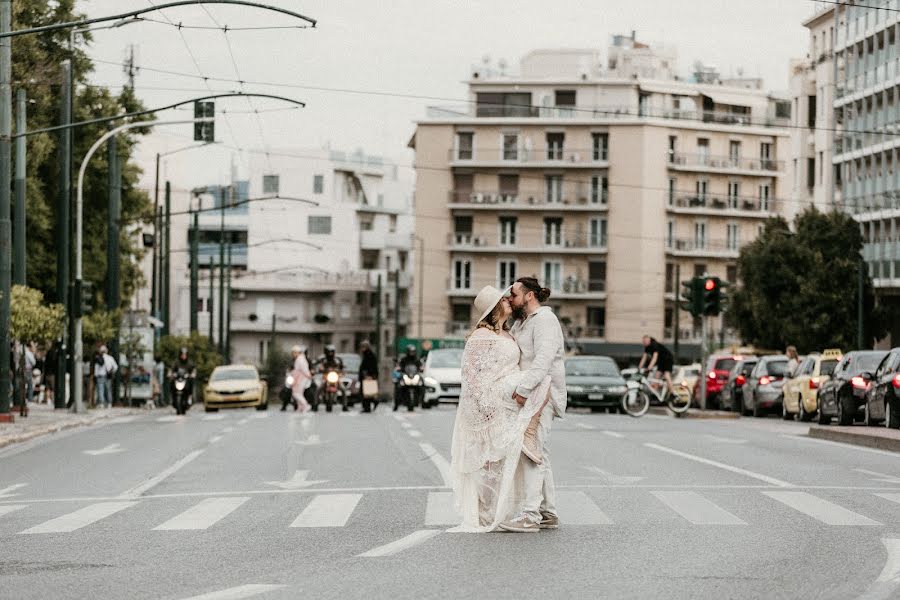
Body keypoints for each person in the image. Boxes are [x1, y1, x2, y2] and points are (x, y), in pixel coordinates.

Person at [448, 284, 553, 533]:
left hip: (510, 394)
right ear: (494, 308)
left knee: (501, 457)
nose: (507, 300)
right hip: (492, 396)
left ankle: (500, 509)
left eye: (508, 297)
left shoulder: (510, 332)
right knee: (488, 459)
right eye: (502, 299)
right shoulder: (480, 336)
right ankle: (486, 512)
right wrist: (484, 409)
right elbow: (471, 377)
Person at [499, 276, 566, 533]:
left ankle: (530, 515)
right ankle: (548, 511)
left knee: (531, 452)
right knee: (540, 452)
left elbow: (544, 360)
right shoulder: (522, 323)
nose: (510, 299)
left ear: (529, 295)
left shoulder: (545, 320)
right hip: (531, 394)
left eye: (513, 294)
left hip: (542, 393)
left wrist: (524, 389)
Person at [395, 345, 424, 411]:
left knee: (422, 384)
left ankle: (422, 401)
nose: (412, 353)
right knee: (398, 385)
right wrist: (399, 368)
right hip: (406, 375)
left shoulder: (417, 360)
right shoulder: (404, 359)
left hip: (414, 376)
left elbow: (420, 366)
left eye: (413, 352)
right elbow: (400, 366)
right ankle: (396, 404)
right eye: (410, 352)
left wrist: (421, 369)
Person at [289, 345, 312, 412]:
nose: (293, 354)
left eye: (293, 352)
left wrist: (308, 376)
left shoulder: (300, 359)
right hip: (299, 378)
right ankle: (300, 407)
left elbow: (304, 370)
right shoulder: (300, 359)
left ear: (297, 352)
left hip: (301, 378)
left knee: (296, 393)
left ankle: (305, 405)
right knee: (300, 393)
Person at [358, 340, 379, 412]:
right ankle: (371, 404)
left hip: (368, 376)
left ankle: (367, 407)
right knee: (368, 392)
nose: (362, 349)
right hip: (367, 376)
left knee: (366, 392)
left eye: (363, 347)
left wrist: (369, 375)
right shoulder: (366, 354)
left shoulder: (369, 355)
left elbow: (371, 366)